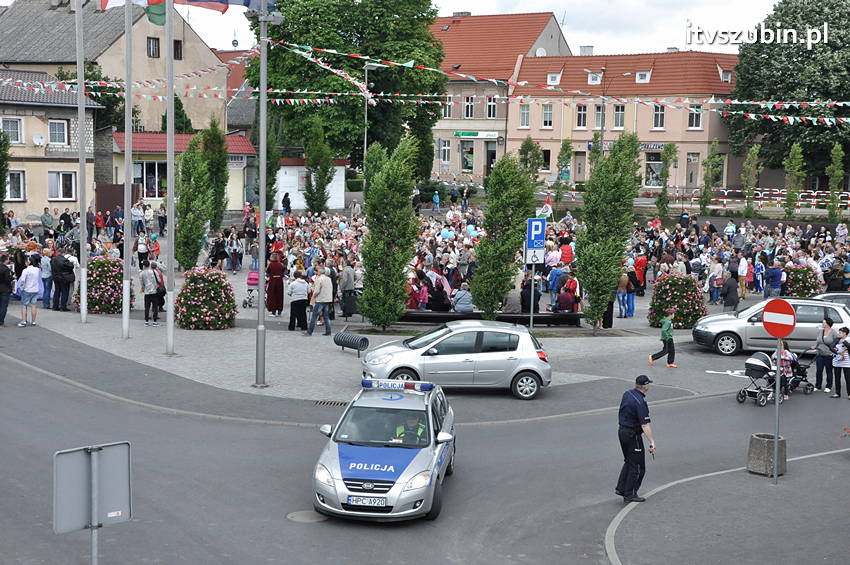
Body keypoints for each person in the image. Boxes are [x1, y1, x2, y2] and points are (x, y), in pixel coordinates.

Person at [615, 375, 657, 503]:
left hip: (622, 432)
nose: (649, 385)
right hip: (633, 435)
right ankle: (630, 493)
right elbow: (645, 424)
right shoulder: (640, 402)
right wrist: (652, 441)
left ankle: (621, 488)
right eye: (648, 384)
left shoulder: (627, 394)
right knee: (638, 466)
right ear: (645, 386)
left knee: (629, 461)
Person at [808, 317, 836, 393]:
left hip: (829, 354)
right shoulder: (821, 331)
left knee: (829, 371)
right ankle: (818, 386)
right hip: (819, 353)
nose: (822, 324)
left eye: (824, 322)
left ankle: (828, 386)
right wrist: (815, 346)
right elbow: (818, 341)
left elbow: (836, 343)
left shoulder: (833, 333)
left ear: (828, 324)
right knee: (819, 370)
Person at [305, 265, 333, 336]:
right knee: (326, 316)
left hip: (320, 299)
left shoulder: (319, 279)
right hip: (327, 299)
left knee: (314, 316)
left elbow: (317, 291)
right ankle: (328, 331)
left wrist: (313, 295)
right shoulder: (328, 279)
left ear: (319, 272)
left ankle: (309, 331)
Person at [17, 255, 41, 327]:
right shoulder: (37, 269)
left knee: (24, 305)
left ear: (29, 262)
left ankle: (24, 321)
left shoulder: (25, 270)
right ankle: (33, 321)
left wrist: (21, 288)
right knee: (33, 305)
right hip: (35, 289)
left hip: (27, 289)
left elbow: (22, 280)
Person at [831, 327, 850, 399]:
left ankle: (849, 394)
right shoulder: (836, 340)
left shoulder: (848, 339)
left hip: (847, 362)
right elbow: (831, 347)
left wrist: (844, 342)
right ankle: (837, 393)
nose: (838, 334)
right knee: (837, 378)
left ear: (845, 333)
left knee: (848, 378)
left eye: (840, 333)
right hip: (837, 361)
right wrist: (837, 352)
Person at [139, 260, 160, 327]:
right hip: (154, 291)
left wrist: (144, 287)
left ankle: (146, 321)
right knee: (155, 307)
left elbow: (142, 284)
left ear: (144, 266)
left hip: (147, 292)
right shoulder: (154, 271)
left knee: (147, 307)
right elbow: (159, 280)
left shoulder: (141, 273)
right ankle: (154, 321)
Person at [266, 253, 285, 317]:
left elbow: (268, 272)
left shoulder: (271, 265)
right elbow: (283, 272)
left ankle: (273, 311)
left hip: (273, 281)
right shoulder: (280, 265)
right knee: (279, 296)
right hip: (279, 281)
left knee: (272, 296)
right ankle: (279, 311)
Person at [0, 253, 12, 327]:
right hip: (4, 288)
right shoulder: (6, 269)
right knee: (3, 306)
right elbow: (7, 280)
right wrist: (12, 278)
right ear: (6, 260)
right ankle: (1, 322)